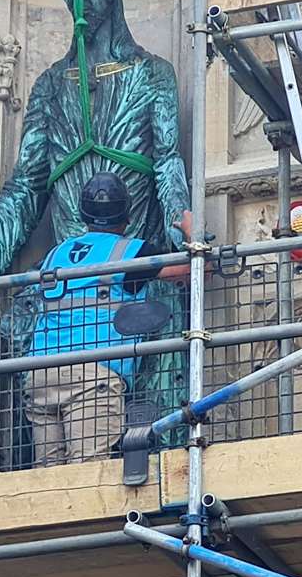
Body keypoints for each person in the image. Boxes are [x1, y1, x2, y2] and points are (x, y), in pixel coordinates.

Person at [24, 173, 190, 465]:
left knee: (48, 479)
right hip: (92, 376)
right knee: (90, 472)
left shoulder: (55, 254)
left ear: (83, 213)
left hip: (40, 375)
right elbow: (194, 269)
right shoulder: (129, 252)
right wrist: (192, 235)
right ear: (127, 213)